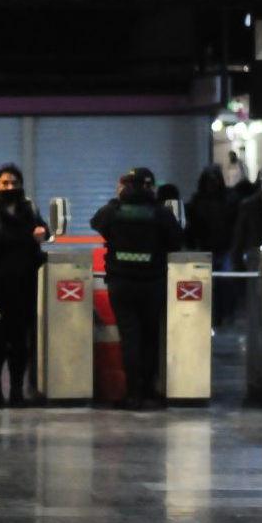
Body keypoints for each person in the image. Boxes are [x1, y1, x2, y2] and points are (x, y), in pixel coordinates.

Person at [91, 168, 184, 410]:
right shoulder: (160, 213)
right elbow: (176, 241)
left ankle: (132, 394)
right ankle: (149, 391)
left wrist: (117, 198)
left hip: (122, 285)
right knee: (150, 338)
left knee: (130, 339)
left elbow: (96, 223)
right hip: (152, 284)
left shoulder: (114, 210)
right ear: (149, 187)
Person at [0, 164, 47, 406]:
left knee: (21, 341)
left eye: (15, 183)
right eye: (5, 183)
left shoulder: (29, 207)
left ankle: (17, 391)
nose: (10, 187)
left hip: (25, 286)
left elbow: (45, 231)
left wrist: (43, 233)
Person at [186, 165, 237, 324]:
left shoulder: (198, 201)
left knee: (219, 285)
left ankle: (218, 316)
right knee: (216, 285)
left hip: (214, 248)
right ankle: (219, 316)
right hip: (211, 248)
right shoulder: (227, 199)